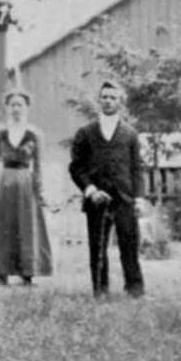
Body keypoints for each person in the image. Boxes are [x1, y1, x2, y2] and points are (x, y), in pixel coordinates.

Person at [67, 80, 147, 298]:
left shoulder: (130, 134)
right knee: (98, 247)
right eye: (105, 97)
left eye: (113, 97)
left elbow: (137, 168)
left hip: (125, 199)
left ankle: (135, 290)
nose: (109, 101)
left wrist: (139, 198)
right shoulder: (85, 133)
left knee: (129, 246)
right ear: (99, 100)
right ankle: (100, 291)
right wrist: (91, 190)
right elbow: (76, 167)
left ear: (120, 102)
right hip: (98, 200)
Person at [0, 90, 53, 286]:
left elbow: (39, 165)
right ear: (7, 108)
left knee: (26, 226)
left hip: (26, 183)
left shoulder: (34, 134)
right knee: (2, 226)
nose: (16, 109)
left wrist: (40, 190)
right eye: (12, 105)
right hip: (3, 184)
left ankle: (28, 275)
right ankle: (1, 275)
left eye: (20, 105)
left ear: (27, 108)